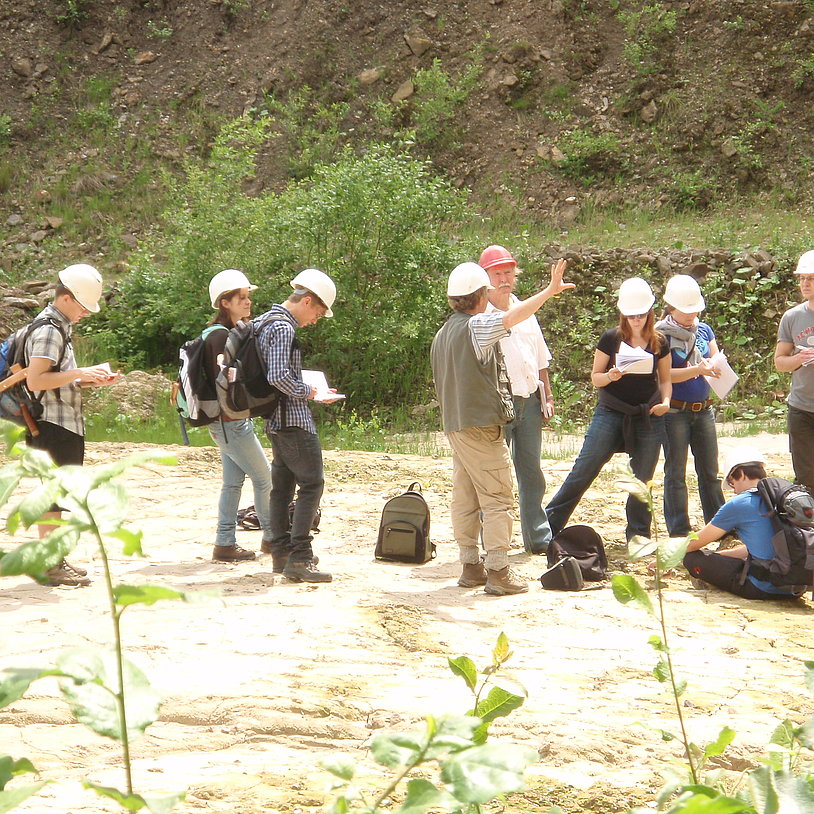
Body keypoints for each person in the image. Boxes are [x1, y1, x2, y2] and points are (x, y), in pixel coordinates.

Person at [430, 259, 574, 596]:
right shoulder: (476, 326)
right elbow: (512, 317)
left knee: (465, 497)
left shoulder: (442, 333)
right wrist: (549, 292)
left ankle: (471, 566)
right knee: (497, 497)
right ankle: (498, 570)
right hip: (481, 426)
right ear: (481, 295)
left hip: (456, 426)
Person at [545, 277, 671, 542]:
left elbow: (665, 379)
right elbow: (595, 377)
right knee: (585, 468)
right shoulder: (611, 338)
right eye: (631, 315)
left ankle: (638, 535)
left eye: (640, 315)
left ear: (649, 313)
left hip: (647, 414)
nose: (636, 320)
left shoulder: (659, 341)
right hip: (611, 411)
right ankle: (548, 526)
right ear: (623, 314)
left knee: (642, 479)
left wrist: (666, 402)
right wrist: (611, 376)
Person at [24, 264, 120, 587]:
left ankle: (55, 560)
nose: (85, 313)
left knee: (57, 496)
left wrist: (87, 379)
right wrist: (80, 373)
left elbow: (54, 379)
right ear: (66, 298)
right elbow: (36, 380)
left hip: (58, 423)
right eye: (82, 306)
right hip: (52, 424)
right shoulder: (50, 330)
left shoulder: (58, 327)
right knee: (53, 498)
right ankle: (51, 564)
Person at [259, 268, 340, 583]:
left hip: (274, 421)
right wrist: (311, 392)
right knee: (312, 485)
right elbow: (278, 376)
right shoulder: (283, 328)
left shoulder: (264, 322)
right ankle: (301, 558)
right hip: (293, 421)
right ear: (307, 301)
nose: (315, 320)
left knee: (282, 488)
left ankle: (281, 553)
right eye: (317, 313)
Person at [481, 244, 555, 555]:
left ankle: (538, 539)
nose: (504, 279)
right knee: (493, 475)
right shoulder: (481, 317)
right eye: (497, 273)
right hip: (496, 403)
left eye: (508, 272)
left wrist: (547, 395)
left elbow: (540, 358)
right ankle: (492, 541)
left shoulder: (526, 310)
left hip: (529, 399)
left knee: (532, 472)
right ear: (485, 278)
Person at [205, 269, 272, 563]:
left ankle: (224, 543)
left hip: (223, 422)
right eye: (241, 297)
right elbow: (225, 377)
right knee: (265, 478)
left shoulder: (219, 334)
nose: (248, 302)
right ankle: (273, 537)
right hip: (231, 423)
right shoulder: (222, 337)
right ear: (225, 302)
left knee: (233, 483)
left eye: (247, 297)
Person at [683, 446, 804, 599]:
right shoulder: (780, 498)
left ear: (741, 474)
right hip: (796, 588)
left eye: (732, 483)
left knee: (691, 557)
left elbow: (693, 544)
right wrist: (717, 556)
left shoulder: (740, 503)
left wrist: (666, 558)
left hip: (763, 588)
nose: (734, 490)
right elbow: (760, 548)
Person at [656, 274, 724, 538]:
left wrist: (716, 367)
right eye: (685, 310)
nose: (690, 315)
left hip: (703, 409)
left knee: (710, 472)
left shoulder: (704, 330)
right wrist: (696, 370)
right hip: (674, 411)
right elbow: (663, 375)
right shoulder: (660, 335)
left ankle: (718, 527)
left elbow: (715, 357)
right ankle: (679, 531)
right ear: (671, 307)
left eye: (694, 310)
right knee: (676, 473)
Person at [774, 250, 814, 491]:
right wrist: (799, 358)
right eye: (802, 278)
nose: (805, 284)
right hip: (801, 408)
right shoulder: (792, 317)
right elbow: (779, 362)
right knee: (806, 477)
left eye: (811, 278)